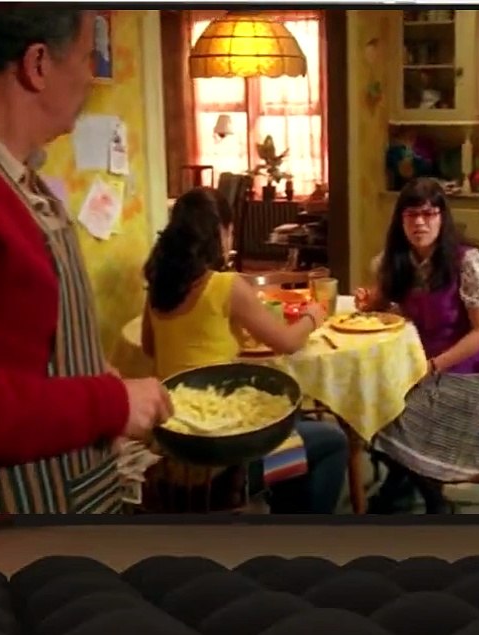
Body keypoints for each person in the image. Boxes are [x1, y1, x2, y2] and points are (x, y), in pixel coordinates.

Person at [0, 8, 173, 514]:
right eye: (88, 58)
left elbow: (15, 343)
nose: (91, 78)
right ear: (38, 64)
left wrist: (90, 371)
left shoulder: (15, 179)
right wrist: (111, 403)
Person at [142, 187, 348, 514]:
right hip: (222, 459)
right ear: (221, 232)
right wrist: (314, 315)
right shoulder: (225, 286)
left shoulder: (159, 285)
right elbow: (287, 342)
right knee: (332, 441)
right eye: (230, 230)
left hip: (170, 445)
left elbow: (149, 346)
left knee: (295, 432)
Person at [355, 178, 479, 514]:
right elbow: (383, 302)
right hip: (415, 368)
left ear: (442, 218)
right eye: (411, 215)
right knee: (364, 404)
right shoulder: (400, 260)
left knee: (398, 415)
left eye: (429, 214)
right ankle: (401, 480)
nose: (420, 223)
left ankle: (434, 501)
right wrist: (370, 300)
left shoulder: (468, 263)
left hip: (464, 374)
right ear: (401, 220)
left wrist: (435, 365)